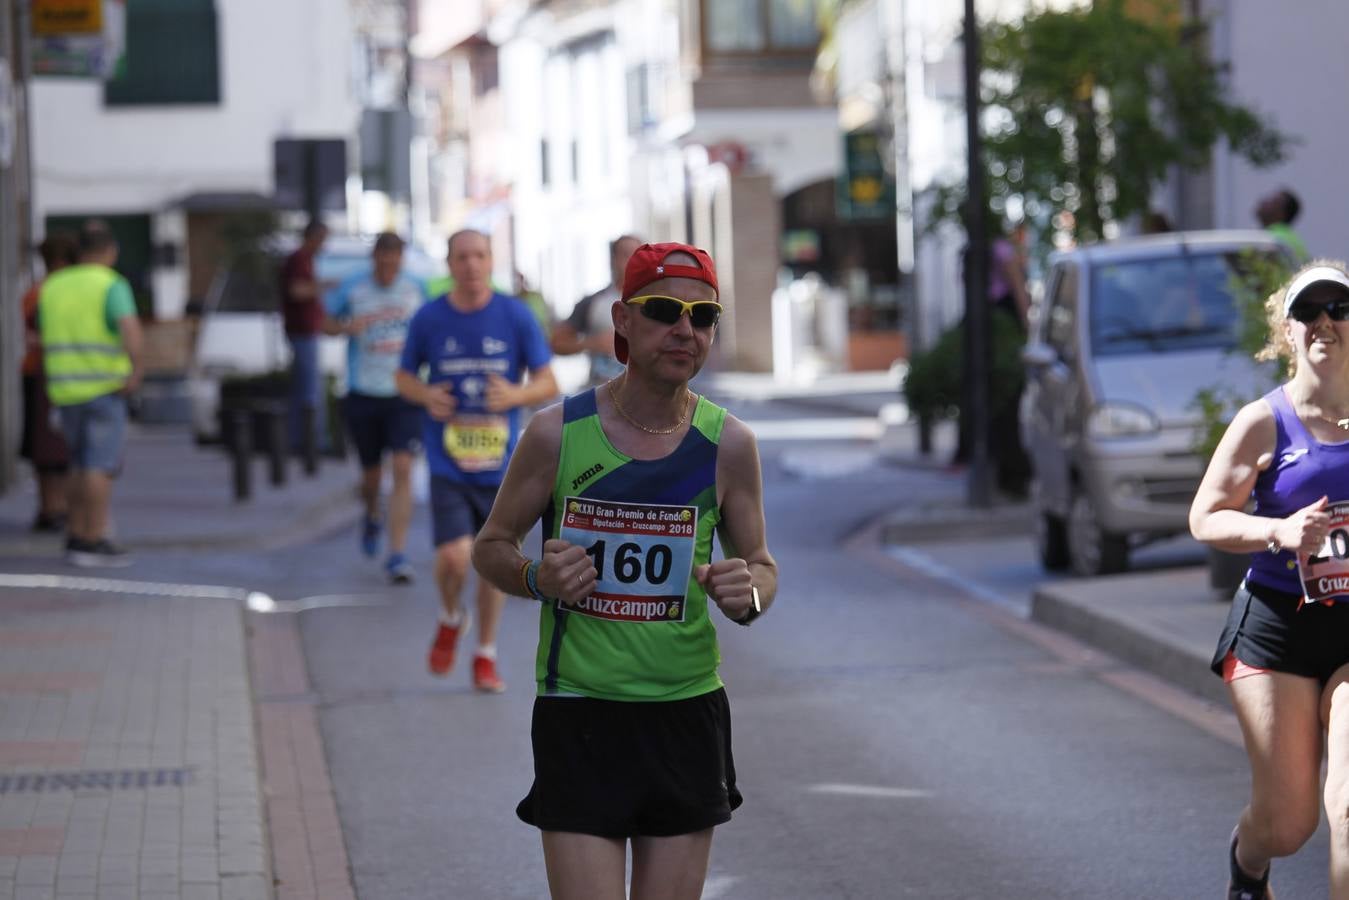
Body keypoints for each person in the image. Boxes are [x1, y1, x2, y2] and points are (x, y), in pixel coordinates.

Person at [472, 241, 778, 899]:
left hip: (685, 712)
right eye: (664, 310)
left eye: (701, 318)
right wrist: (535, 579)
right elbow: (491, 545)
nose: (683, 330)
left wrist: (747, 591)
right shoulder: (557, 434)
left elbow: (759, 569)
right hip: (579, 712)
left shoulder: (728, 445)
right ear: (622, 319)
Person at [1190, 261, 1349, 900]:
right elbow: (1205, 517)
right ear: (1287, 332)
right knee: (1288, 824)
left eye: (1339, 309)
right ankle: (1248, 865)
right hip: (1278, 626)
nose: (1325, 324)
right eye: (1309, 312)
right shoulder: (1263, 421)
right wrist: (1277, 532)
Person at [395, 229, 557, 692]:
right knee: (453, 558)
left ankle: (485, 653)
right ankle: (450, 615)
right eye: (462, 257)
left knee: (492, 564)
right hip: (447, 461)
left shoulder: (515, 315)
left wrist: (516, 393)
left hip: (502, 467)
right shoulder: (429, 318)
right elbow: (404, 377)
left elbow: (547, 382)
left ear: (491, 262)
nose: (471, 265)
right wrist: (426, 394)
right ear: (449, 264)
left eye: (479, 256)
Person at [38, 221, 144, 567]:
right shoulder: (111, 284)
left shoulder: (52, 285)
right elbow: (130, 329)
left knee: (77, 465)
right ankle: (94, 537)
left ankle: (74, 535)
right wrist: (135, 371)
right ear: (110, 251)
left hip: (64, 389)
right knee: (99, 466)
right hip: (104, 388)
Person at [323, 232, 426, 584]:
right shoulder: (353, 287)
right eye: (382, 263)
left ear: (401, 261)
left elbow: (432, 327)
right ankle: (371, 511)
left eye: (394, 264)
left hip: (404, 391)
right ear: (374, 260)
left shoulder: (417, 288)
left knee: (402, 467)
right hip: (362, 391)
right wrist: (345, 326)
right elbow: (324, 322)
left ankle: (397, 554)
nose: (388, 271)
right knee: (371, 476)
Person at [21, 233, 79, 532]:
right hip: (58, 375)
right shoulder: (58, 291)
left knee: (43, 449)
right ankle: (60, 508)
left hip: (37, 374)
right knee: (60, 448)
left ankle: (50, 507)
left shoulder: (37, 291)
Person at [550, 234, 641, 387]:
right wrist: (593, 343)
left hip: (645, 394)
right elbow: (556, 343)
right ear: (613, 259)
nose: (631, 260)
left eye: (637, 255)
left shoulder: (658, 302)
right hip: (602, 391)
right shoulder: (593, 302)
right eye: (625, 254)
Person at [281, 220, 331, 454]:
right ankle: (313, 442)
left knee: (303, 388)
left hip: (307, 331)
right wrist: (323, 286)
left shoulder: (306, 260)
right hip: (301, 332)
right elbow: (297, 291)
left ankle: (300, 439)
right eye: (322, 239)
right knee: (311, 390)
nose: (324, 245)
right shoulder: (298, 259)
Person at [1255, 187, 1309, 265]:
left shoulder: (1273, 239)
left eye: (1272, 202)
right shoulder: (1289, 238)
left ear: (1281, 213)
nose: (1263, 202)